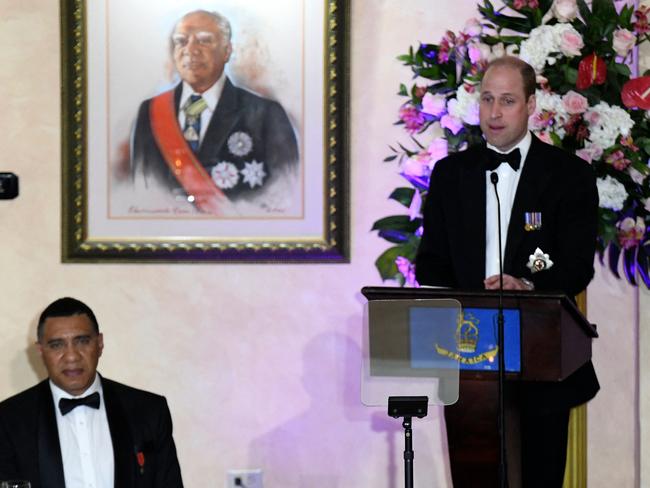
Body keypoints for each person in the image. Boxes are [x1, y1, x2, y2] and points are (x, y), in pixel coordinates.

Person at [415, 56, 599, 487]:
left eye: (508, 101)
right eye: (487, 99)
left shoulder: (569, 175)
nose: (494, 113)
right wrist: (471, 292)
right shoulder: (450, 174)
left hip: (542, 358)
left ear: (532, 105)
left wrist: (527, 285)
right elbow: (429, 263)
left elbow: (576, 267)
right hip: (469, 358)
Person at [0, 297, 184, 488]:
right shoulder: (8, 420)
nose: (71, 356)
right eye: (57, 345)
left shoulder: (149, 410)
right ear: (40, 351)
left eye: (82, 341)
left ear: (100, 344)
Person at [130, 9, 299, 215]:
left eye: (204, 41)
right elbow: (141, 190)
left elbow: (286, 196)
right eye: (181, 41)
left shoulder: (266, 114)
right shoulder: (150, 112)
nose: (190, 50)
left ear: (227, 51)